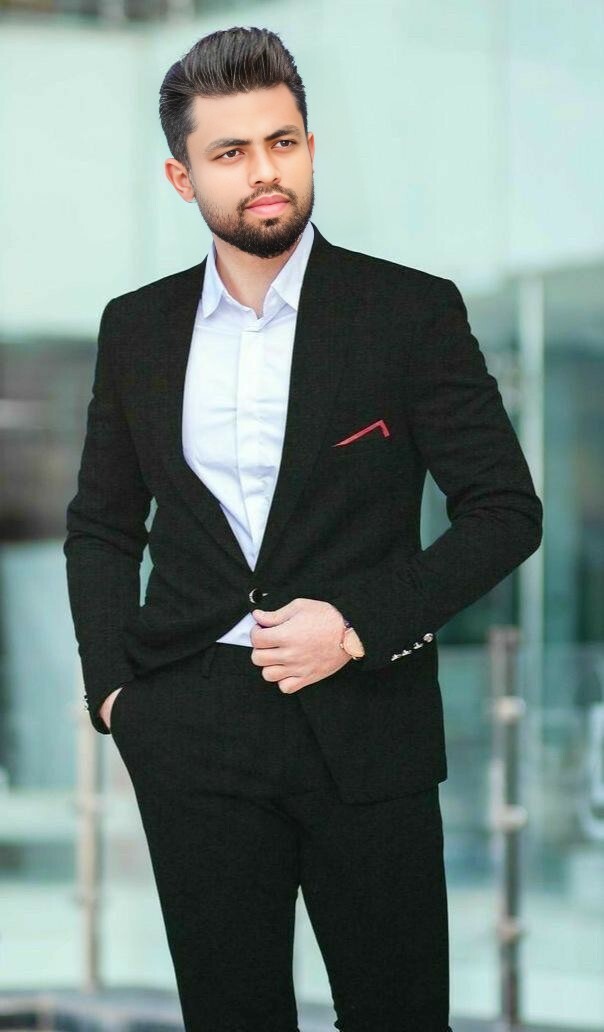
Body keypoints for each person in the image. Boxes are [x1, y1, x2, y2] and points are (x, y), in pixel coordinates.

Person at [63, 25, 543, 1032]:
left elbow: (505, 511)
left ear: (311, 148)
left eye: (282, 142)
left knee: (397, 1014)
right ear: (183, 177)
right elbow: (102, 525)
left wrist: (358, 624)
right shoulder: (136, 328)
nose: (264, 172)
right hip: (189, 728)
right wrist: (116, 696)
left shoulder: (408, 313)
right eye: (230, 152)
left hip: (367, 723)